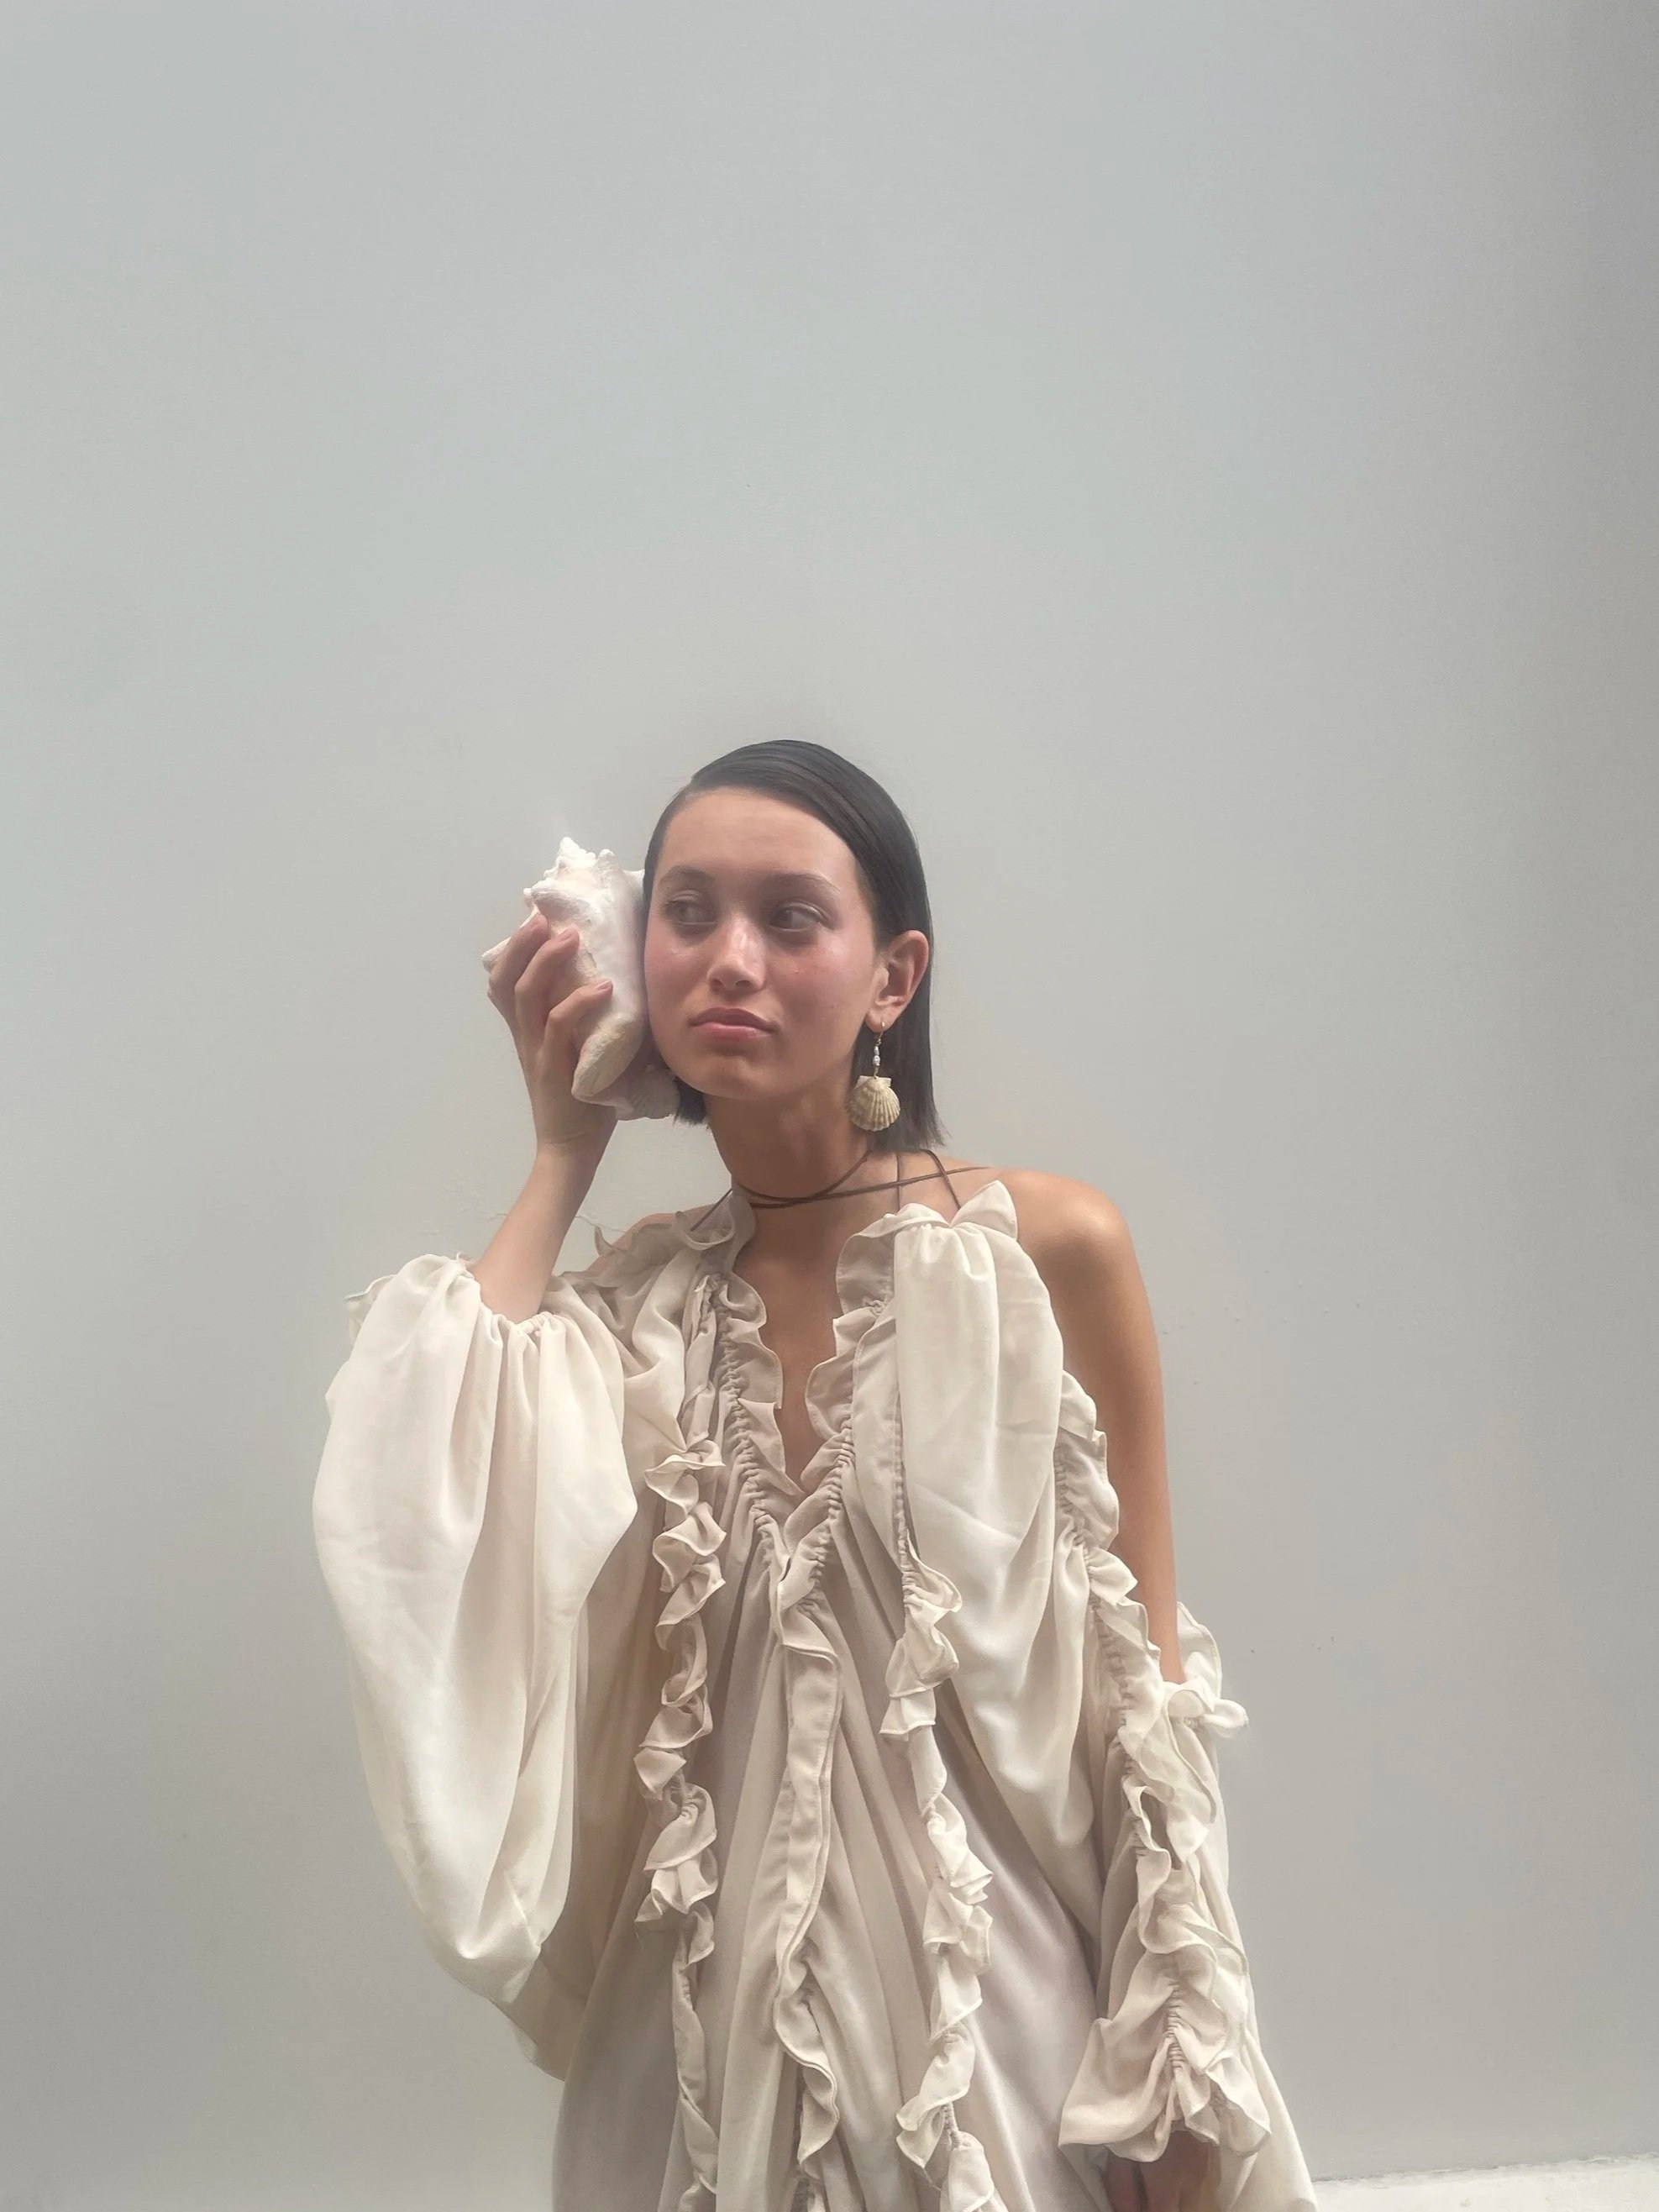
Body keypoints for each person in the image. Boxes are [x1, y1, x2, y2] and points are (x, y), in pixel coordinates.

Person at [312, 739, 1318, 2212]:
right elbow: (418, 1512)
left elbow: (1144, 1711)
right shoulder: (636, 1317)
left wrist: (1176, 2083)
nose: (732, 958)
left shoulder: (1041, 1253)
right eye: (691, 913)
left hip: (1001, 2059)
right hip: (693, 2068)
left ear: (892, 976)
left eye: (791, 918)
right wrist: (560, 1147)